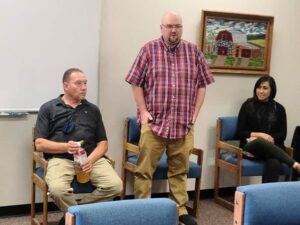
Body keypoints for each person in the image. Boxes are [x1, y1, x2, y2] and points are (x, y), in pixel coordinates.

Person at [125, 11, 214, 225]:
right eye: (169, 26)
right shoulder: (148, 49)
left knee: (179, 170)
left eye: (178, 26)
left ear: (182, 28)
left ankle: (179, 210)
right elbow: (135, 82)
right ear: (161, 28)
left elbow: (203, 84)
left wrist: (195, 113)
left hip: (183, 124)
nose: (174, 30)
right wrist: (143, 111)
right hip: (154, 124)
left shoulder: (193, 51)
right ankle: (143, 210)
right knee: (144, 171)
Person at [34, 68, 122, 225]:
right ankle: (81, 217)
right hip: (61, 159)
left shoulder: (93, 110)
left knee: (115, 186)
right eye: (78, 83)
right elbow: (39, 144)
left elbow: (103, 143)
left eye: (86, 83)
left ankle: (74, 215)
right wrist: (65, 147)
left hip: (90, 159)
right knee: (57, 190)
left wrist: (91, 159)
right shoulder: (48, 108)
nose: (84, 87)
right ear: (66, 86)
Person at [237, 75, 300, 183]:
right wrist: (262, 135)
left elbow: (282, 134)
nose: (261, 91)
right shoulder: (247, 105)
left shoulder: (279, 109)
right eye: (259, 87)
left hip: (271, 148)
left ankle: (266, 196)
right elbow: (240, 132)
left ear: (272, 90)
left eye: (265, 88)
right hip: (251, 147)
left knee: (274, 162)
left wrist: (270, 138)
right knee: (260, 141)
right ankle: (295, 164)